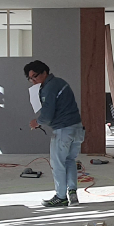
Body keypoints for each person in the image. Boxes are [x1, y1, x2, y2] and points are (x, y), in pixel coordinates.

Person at [25, 60, 82, 208]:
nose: (33, 81)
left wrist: (37, 122)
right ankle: (73, 194)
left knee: (58, 164)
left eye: (35, 76)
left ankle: (61, 197)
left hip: (63, 130)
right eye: (30, 78)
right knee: (70, 160)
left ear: (45, 72)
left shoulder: (49, 88)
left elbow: (47, 115)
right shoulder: (60, 82)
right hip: (77, 128)